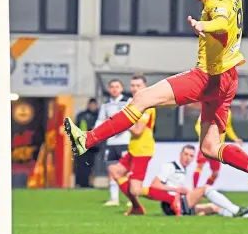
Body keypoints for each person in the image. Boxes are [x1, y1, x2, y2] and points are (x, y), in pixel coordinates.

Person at [64, 0, 248, 208]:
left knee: (142, 98)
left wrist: (202, 24)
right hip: (229, 77)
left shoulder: (215, 1)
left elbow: (220, 21)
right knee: (209, 147)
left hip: (208, 77)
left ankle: (88, 139)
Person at [109, 74, 182, 216]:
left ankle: (171, 198)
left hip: (143, 150)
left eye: (138, 86)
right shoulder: (134, 103)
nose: (135, 88)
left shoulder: (147, 105)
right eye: (133, 86)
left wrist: (121, 121)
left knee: (135, 189)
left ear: (145, 87)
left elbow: (138, 130)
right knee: (114, 171)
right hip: (134, 148)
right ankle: (136, 207)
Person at [152, 144, 248, 217]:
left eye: (191, 156)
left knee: (214, 207)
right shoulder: (170, 166)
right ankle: (236, 210)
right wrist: (176, 189)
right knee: (205, 189)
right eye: (186, 154)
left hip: (183, 204)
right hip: (171, 204)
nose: (188, 158)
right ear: (180, 154)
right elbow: (155, 185)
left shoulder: (185, 171)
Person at [95, 79, 130, 206]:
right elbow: (99, 121)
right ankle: (114, 198)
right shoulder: (105, 105)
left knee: (126, 170)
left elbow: (131, 119)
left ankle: (130, 199)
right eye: (112, 87)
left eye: (117, 86)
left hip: (125, 140)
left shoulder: (127, 102)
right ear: (109, 89)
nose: (115, 89)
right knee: (111, 169)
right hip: (111, 142)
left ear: (121, 88)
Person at [193, 109, 243, 187]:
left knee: (215, 173)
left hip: (217, 147)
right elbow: (198, 125)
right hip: (205, 145)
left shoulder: (228, 112)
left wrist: (235, 138)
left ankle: (204, 190)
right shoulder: (208, 108)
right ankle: (194, 189)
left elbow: (228, 127)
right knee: (199, 167)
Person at [74, 98, 99, 187]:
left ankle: (89, 183)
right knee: (81, 164)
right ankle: (80, 182)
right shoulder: (82, 115)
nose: (93, 107)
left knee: (91, 165)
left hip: (94, 146)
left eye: (94, 105)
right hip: (82, 144)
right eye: (91, 105)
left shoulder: (99, 115)